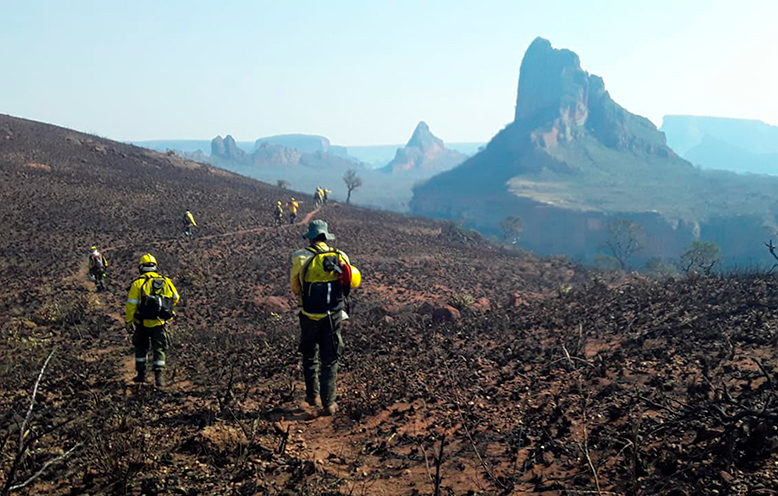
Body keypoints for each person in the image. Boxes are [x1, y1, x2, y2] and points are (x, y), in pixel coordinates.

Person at [290, 220, 361, 416]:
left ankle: (312, 396)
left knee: (309, 354)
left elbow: (295, 287)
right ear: (326, 237)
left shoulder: (300, 257)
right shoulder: (341, 256)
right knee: (330, 357)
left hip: (309, 314)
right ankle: (329, 403)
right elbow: (350, 282)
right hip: (333, 315)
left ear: (311, 237)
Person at [125, 254, 180, 386]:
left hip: (142, 323)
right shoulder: (166, 281)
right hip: (160, 323)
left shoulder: (138, 283)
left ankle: (141, 376)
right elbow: (176, 297)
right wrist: (166, 310)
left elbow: (131, 305)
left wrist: (129, 321)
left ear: (141, 267)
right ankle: (159, 377)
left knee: (141, 348)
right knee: (159, 349)